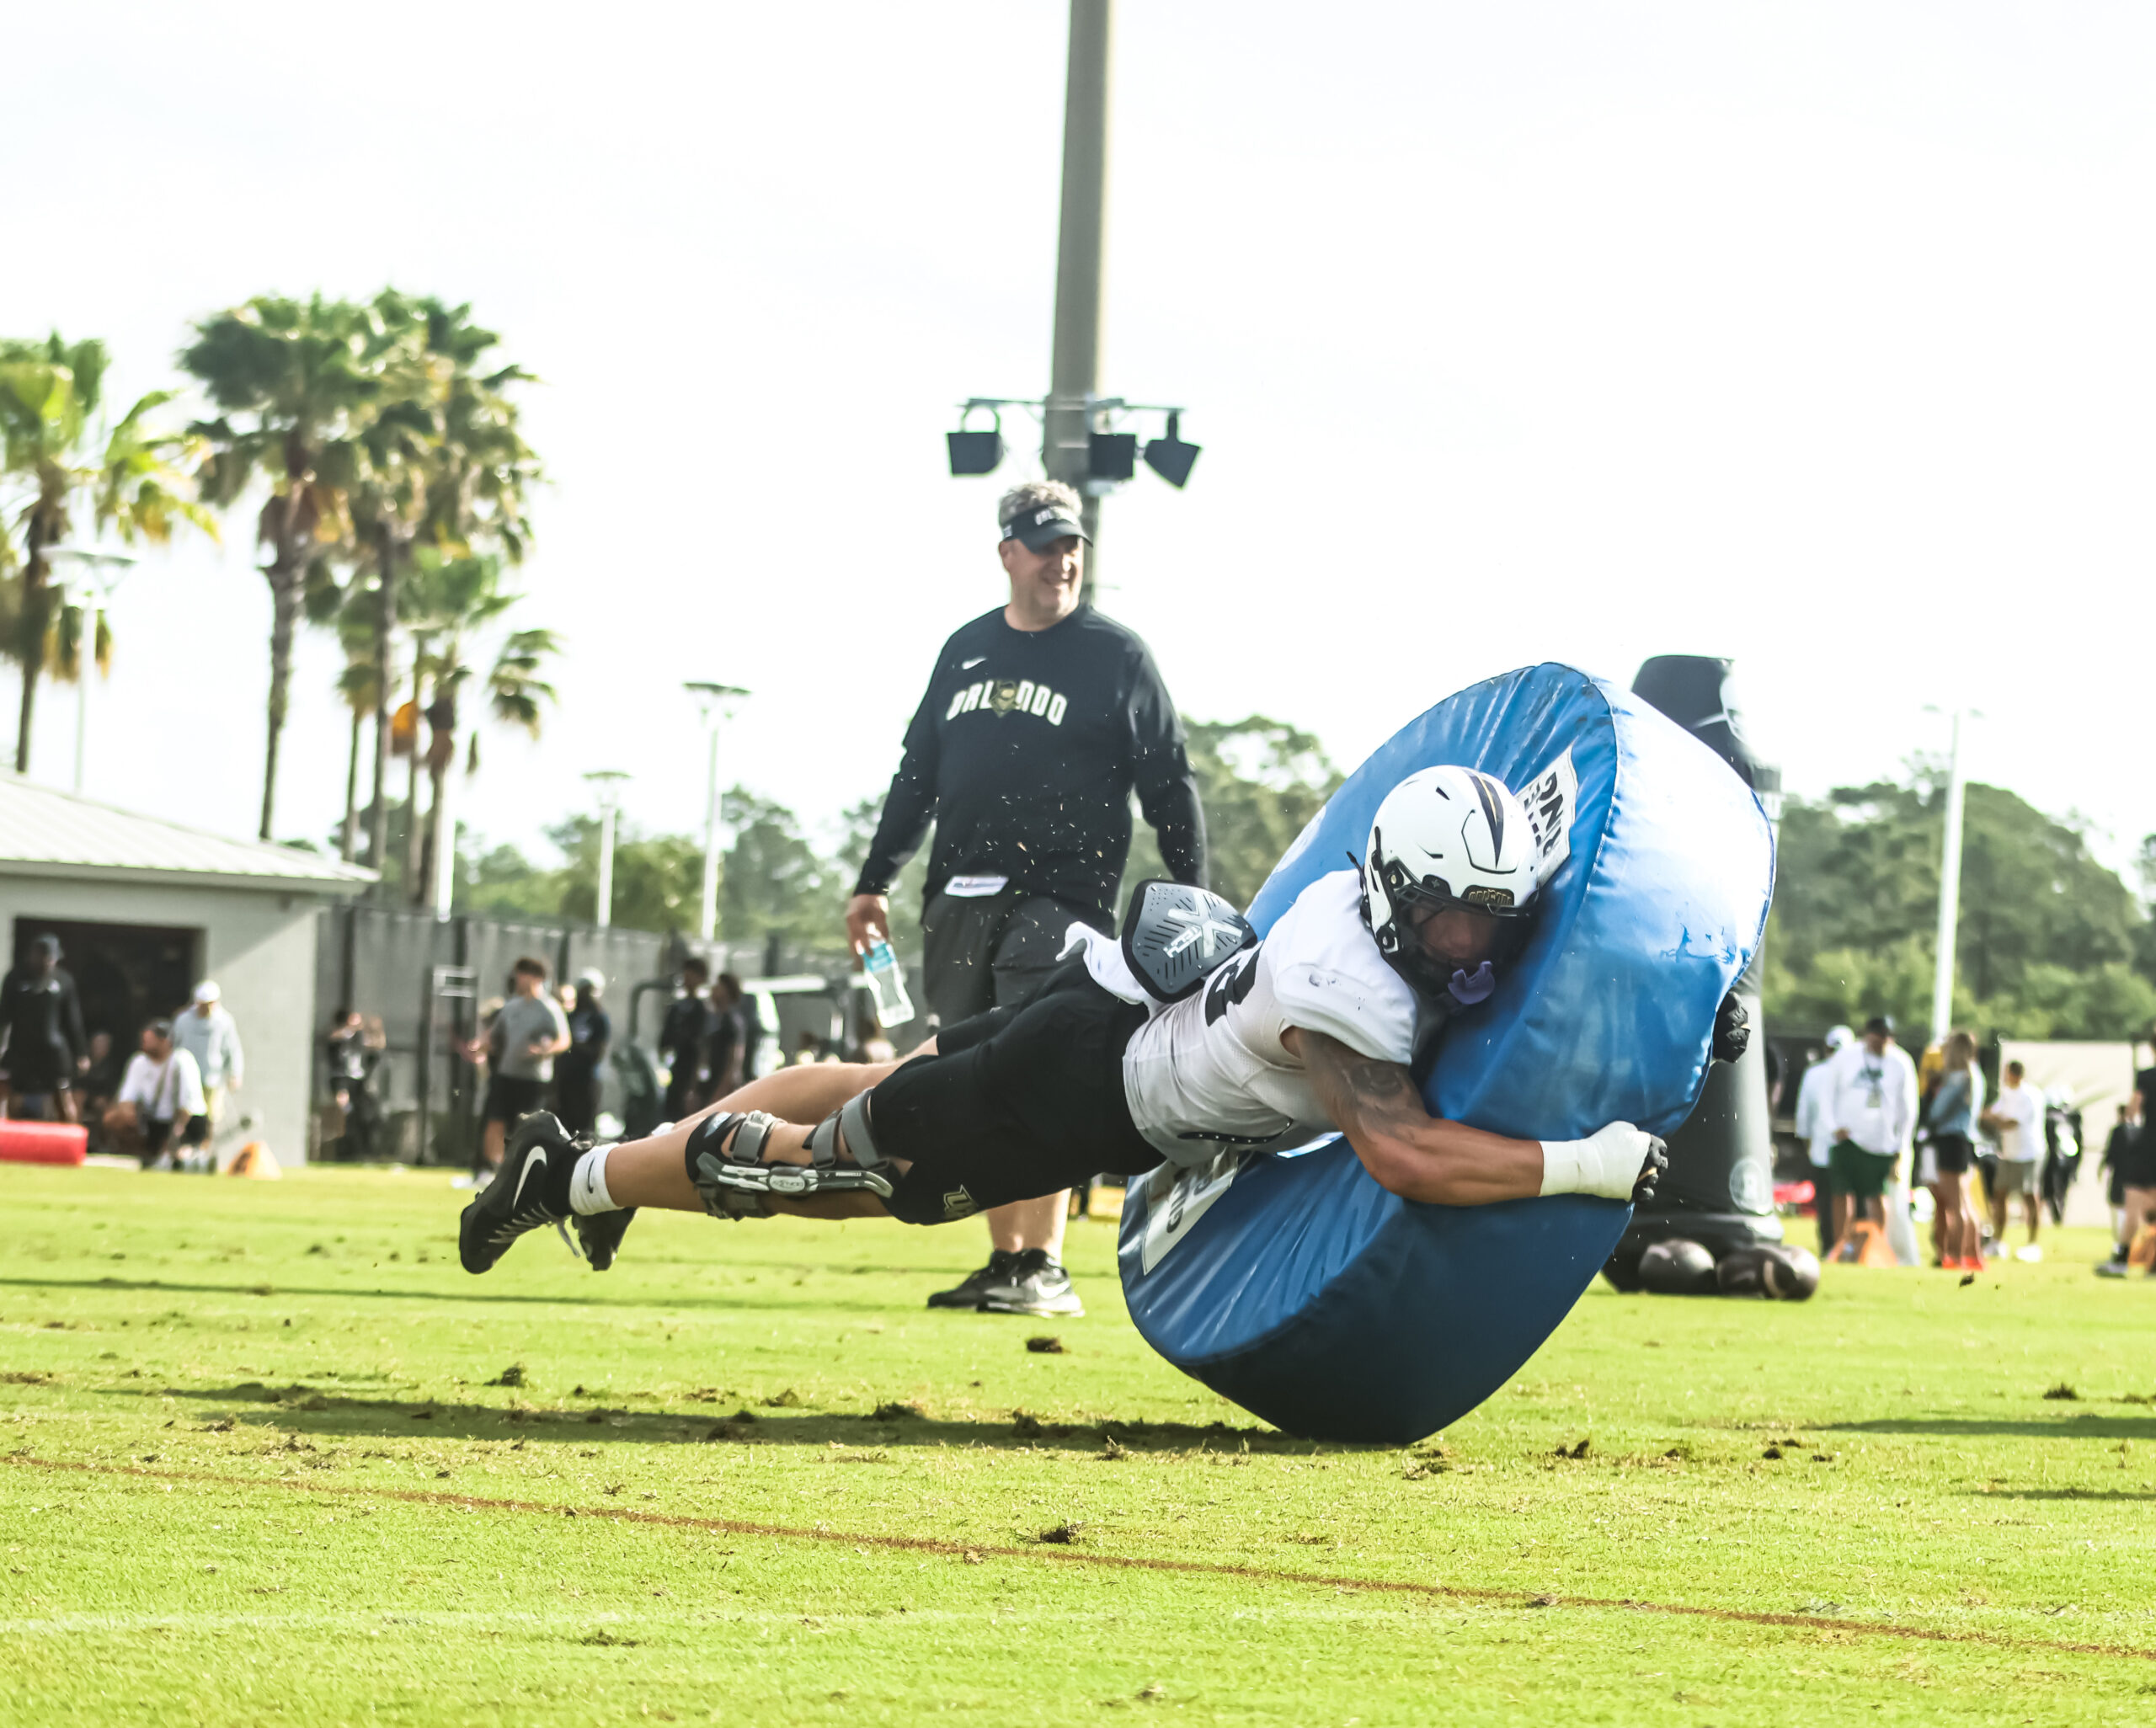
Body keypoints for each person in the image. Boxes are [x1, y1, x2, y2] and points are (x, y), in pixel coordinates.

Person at [461, 765, 1744, 1293]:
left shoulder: (1420, 910)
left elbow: (1559, 919)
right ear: (1401, 897)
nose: (1484, 937)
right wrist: (1582, 1165)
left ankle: (609, 1160)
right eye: (1460, 917)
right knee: (828, 1181)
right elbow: (1405, 1156)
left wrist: (1691, 1003)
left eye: (1495, 912)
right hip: (1073, 1098)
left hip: (1101, 1018)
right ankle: (569, 1172)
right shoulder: (1342, 990)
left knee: (871, 1076)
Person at [845, 479, 1208, 1320]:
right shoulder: (964, 648)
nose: (1063, 558)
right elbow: (916, 777)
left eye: (1072, 543)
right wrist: (873, 881)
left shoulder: (1115, 655)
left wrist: (1190, 895)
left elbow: (1168, 781)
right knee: (968, 1071)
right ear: (1007, 552)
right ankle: (1005, 1260)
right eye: (1044, 544)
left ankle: (1043, 1258)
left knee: (1041, 1064)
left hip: (1061, 895)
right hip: (955, 894)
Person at [467, 957, 570, 1172]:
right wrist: (482, 1045)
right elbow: (494, 1035)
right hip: (506, 1075)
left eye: (521, 975)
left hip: (533, 1079)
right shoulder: (512, 1006)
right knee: (495, 1121)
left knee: (526, 1129)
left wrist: (543, 1050)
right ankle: (490, 1170)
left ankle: (519, 1172)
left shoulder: (549, 1008)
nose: (517, 980)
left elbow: (564, 1040)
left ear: (535, 978)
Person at [1827, 1015, 1917, 1259]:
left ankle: (1879, 1249)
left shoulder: (1900, 1061)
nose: (1881, 1045)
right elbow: (1829, 1091)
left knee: (1877, 1196)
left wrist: (1901, 1145)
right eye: (1878, 1039)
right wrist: (1833, 1126)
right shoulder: (1847, 1056)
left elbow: (1909, 1108)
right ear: (1868, 1036)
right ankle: (1840, 1248)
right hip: (1849, 1138)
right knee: (1842, 1193)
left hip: (1882, 1143)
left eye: (1886, 1040)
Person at [0, 934, 90, 1122]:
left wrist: (81, 1053)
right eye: (41, 957)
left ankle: (69, 1138)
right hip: (21, 1048)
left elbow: (72, 1020)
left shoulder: (64, 980)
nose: (46, 962)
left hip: (53, 1051)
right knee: (14, 1094)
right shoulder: (16, 978)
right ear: (32, 956)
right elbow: (4, 1016)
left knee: (62, 1095)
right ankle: (11, 1141)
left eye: (50, 958)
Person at [108, 1019, 211, 1169]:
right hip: (156, 1121)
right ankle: (142, 1152)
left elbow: (186, 1109)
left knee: (180, 1160)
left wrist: (172, 1140)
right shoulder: (139, 1062)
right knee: (114, 1118)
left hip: (186, 1123)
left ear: (164, 1041)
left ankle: (186, 1153)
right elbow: (126, 1099)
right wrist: (131, 1121)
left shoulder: (182, 1061)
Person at [1923, 1031, 1987, 1271]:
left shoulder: (1960, 1077)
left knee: (1955, 1203)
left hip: (1950, 1140)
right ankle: (1972, 1253)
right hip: (1965, 1140)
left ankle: (1955, 1254)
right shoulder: (1975, 1075)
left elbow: (1938, 1111)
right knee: (1965, 1202)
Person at [1792, 1025, 1851, 1255]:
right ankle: (1847, 1248)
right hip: (1849, 1149)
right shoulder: (1853, 1073)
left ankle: (1830, 1247)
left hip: (1821, 1150)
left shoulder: (1814, 1073)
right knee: (1848, 1202)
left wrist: (1807, 1141)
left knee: (1827, 1204)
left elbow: (1803, 1114)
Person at [1981, 1059, 2044, 1251]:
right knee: (2000, 1194)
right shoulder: (2007, 1094)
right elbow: (1993, 1112)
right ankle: (1998, 1241)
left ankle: (2032, 1243)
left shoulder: (2030, 1096)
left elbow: (2012, 1123)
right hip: (2009, 1153)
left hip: (2028, 1153)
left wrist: (1996, 1120)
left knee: (2029, 1196)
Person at [172, 980, 244, 1129]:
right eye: (204, 1004)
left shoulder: (224, 1021)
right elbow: (174, 1044)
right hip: (187, 1077)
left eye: (211, 1003)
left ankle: (206, 1146)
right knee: (186, 1112)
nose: (207, 1008)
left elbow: (233, 1048)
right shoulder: (183, 1020)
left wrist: (235, 1074)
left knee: (211, 1115)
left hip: (212, 1078)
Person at [2095, 1096, 2153, 1277]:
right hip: (2136, 1173)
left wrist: (2102, 1167)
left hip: (2125, 1175)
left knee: (2125, 1211)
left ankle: (2123, 1251)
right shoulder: (2139, 1131)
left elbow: (2111, 1154)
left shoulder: (2120, 1130)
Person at [659, 958, 718, 1122]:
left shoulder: (704, 1010)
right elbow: (666, 1041)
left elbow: (703, 1049)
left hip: (690, 1074)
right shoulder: (677, 1008)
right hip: (675, 1071)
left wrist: (694, 1087)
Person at [556, 970, 611, 1138]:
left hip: (587, 1079)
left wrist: (577, 1046)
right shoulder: (570, 1016)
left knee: (585, 1126)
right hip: (567, 1078)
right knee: (564, 1123)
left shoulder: (599, 1018)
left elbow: (598, 1051)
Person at [326, 1007, 383, 1160]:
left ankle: (364, 1151)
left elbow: (378, 1046)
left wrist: (376, 1029)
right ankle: (341, 1149)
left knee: (365, 1113)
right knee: (344, 1111)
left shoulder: (360, 1038)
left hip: (358, 1082)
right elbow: (336, 1039)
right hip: (342, 1079)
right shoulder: (340, 1036)